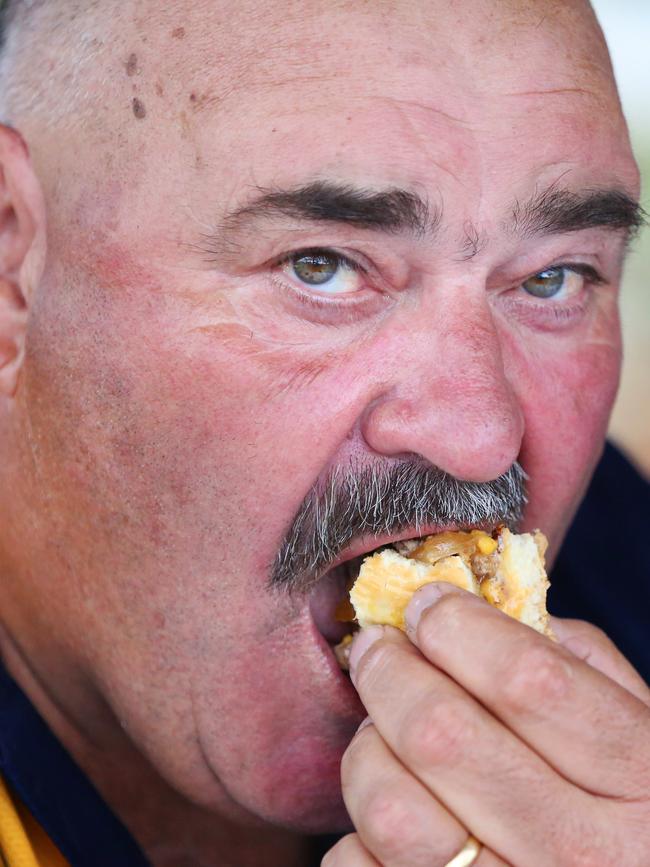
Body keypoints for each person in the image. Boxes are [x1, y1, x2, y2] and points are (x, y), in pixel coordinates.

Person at [0, 0, 647, 864]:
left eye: (555, 276)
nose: (484, 437)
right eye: (323, 266)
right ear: (12, 271)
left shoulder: (624, 565)